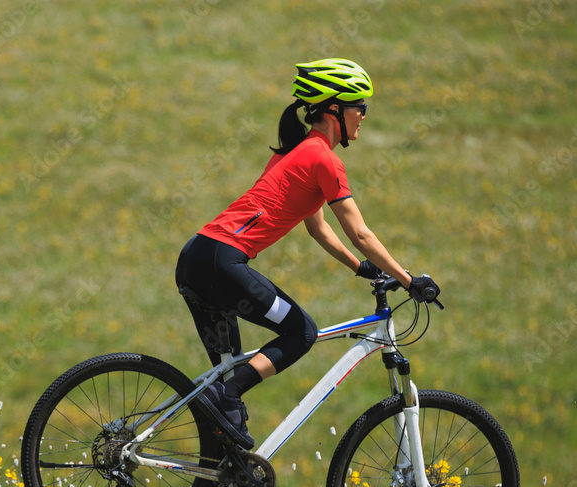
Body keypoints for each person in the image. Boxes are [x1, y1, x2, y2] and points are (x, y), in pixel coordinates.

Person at [175, 58, 440, 454]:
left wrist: (359, 268)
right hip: (223, 261)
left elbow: (316, 227)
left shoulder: (296, 153)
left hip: (197, 258)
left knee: (224, 380)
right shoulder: (323, 158)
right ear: (335, 110)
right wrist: (408, 279)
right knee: (302, 333)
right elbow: (361, 233)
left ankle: (226, 473)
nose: (364, 116)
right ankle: (226, 397)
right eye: (359, 107)